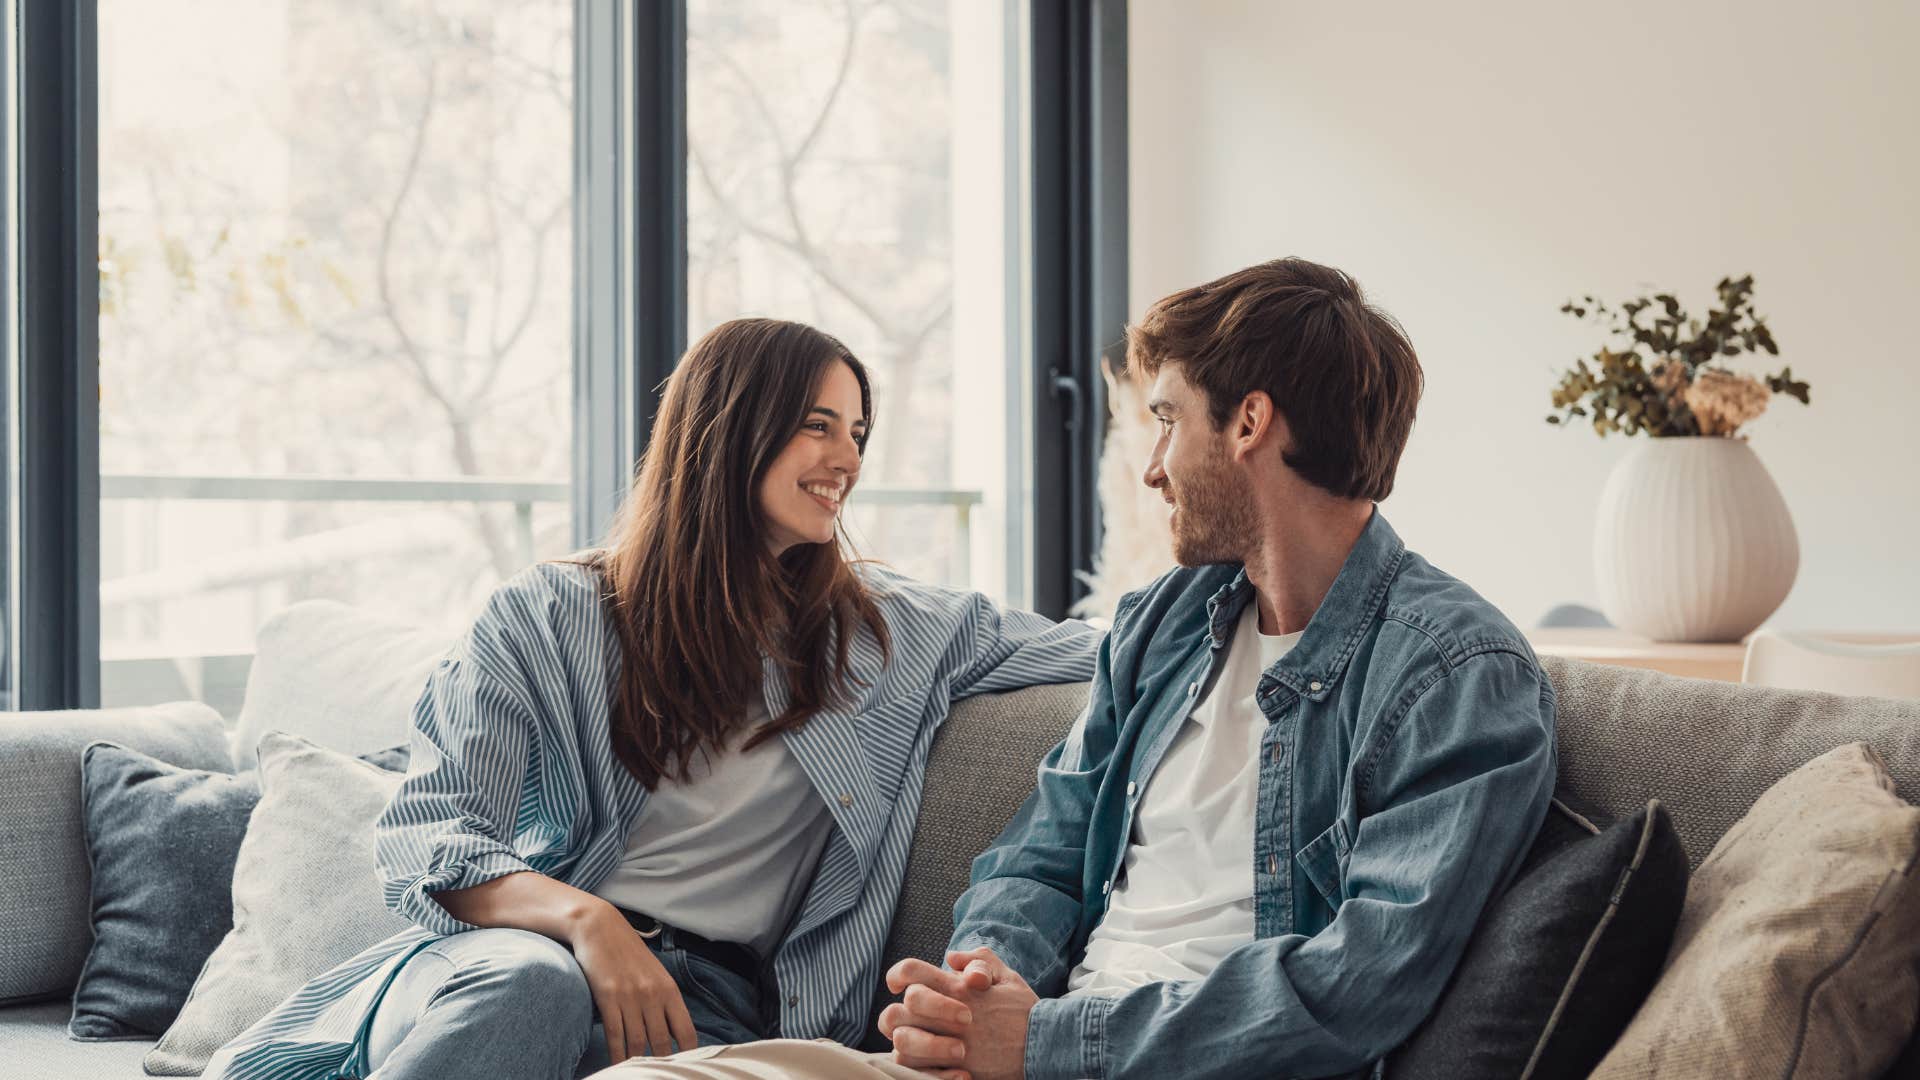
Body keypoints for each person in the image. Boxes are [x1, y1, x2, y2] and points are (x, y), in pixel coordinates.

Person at [588, 258, 1557, 1080]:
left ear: (1251, 422)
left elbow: (1362, 983)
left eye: (1168, 419)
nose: (1151, 466)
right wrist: (977, 990)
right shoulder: (1167, 625)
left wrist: (1046, 1042)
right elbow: (1041, 855)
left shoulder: (1456, 672)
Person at [202, 318, 1101, 1080]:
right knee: (532, 988)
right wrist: (586, 920)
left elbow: (1119, 648)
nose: (847, 459)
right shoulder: (550, 615)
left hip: (704, 1009)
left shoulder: (894, 635)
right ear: (729, 430)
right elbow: (429, 835)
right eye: (817, 426)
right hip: (506, 962)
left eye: (858, 432)